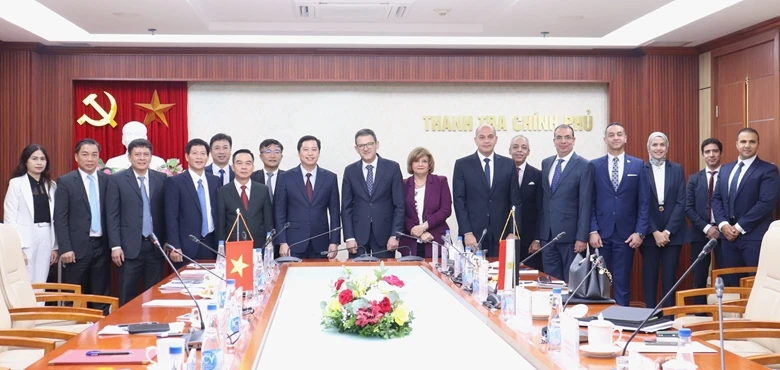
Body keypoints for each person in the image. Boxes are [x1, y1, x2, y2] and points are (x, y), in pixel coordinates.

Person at [588, 123, 649, 306]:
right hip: (600, 235)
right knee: (599, 283)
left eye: (619, 134)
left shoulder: (638, 165)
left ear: (625, 138)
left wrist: (640, 232)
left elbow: (644, 202)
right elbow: (588, 201)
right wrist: (592, 230)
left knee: (622, 282)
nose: (615, 138)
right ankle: (599, 320)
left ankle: (622, 320)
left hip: (626, 235)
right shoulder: (594, 165)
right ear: (605, 139)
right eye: (611, 135)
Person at [711, 128, 780, 286]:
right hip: (727, 238)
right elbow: (716, 198)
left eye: (752, 142)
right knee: (732, 285)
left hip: (754, 237)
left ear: (758, 144)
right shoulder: (726, 169)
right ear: (736, 144)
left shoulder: (768, 170)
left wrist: (739, 227)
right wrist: (723, 225)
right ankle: (736, 313)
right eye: (743, 141)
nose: (747, 145)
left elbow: (766, 203)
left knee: (755, 285)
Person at [106, 138, 168, 306]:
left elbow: (166, 213)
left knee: (154, 294)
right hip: (128, 248)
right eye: (137, 154)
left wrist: (167, 241)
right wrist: (115, 246)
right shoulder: (117, 180)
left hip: (155, 247)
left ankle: (152, 326)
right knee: (127, 293)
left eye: (146, 154)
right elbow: (112, 215)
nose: (142, 158)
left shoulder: (161, 179)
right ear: (129, 157)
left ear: (151, 157)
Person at [53, 138, 111, 314]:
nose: (90, 159)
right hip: (76, 249)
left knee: (100, 296)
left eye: (94, 155)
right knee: (75, 297)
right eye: (85, 154)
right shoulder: (66, 181)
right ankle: (74, 336)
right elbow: (60, 218)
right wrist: (65, 248)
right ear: (76, 157)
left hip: (102, 246)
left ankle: (100, 334)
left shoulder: (107, 180)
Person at [535, 124, 593, 282]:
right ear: (554, 141)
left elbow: (585, 204)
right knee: (551, 281)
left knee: (571, 282)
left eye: (567, 137)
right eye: (559, 137)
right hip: (548, 236)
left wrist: (582, 237)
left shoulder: (584, 165)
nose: (563, 141)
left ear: (574, 140)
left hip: (571, 237)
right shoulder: (546, 163)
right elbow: (545, 201)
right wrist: (539, 236)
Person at [453, 124, 520, 257]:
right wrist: (467, 232)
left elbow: (515, 201)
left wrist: (513, 231)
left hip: (502, 233)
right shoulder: (462, 165)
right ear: (475, 140)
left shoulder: (508, 164)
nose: (486, 141)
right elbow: (459, 201)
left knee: (500, 273)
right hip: (473, 233)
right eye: (482, 137)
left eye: (490, 137)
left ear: (496, 139)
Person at [639, 132, 687, 308]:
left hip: (672, 235)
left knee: (670, 279)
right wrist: (654, 231)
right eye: (655, 145)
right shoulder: (640, 169)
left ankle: (668, 318)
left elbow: (682, 201)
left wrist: (667, 231)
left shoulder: (677, 169)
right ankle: (649, 317)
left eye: (662, 145)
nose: (658, 148)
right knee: (649, 278)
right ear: (648, 148)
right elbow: (640, 204)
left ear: (667, 148)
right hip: (649, 235)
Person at [341, 129, 404, 258]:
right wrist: (349, 237)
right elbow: (346, 207)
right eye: (361, 145)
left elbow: (400, 205)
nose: (366, 148)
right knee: (355, 275)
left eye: (369, 144)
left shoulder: (392, 168)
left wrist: (395, 235)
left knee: (384, 275)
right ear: (356, 148)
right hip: (357, 237)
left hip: (385, 235)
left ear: (377, 144)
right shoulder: (350, 171)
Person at [275, 136, 341, 259]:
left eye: (314, 149)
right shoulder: (285, 177)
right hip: (293, 242)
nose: (310, 153)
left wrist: (334, 241)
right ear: (299, 153)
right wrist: (282, 242)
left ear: (319, 152)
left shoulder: (330, 178)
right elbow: (280, 213)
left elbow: (335, 213)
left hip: (321, 242)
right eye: (306, 149)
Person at [3, 144, 58, 283]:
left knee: (41, 281)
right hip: (25, 237)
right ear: (26, 161)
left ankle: (40, 306)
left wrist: (55, 247)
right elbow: (10, 218)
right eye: (34, 159)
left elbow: (55, 219)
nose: (39, 163)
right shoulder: (16, 184)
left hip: (46, 236)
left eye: (42, 159)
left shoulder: (51, 185)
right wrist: (17, 247)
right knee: (24, 282)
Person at [165, 139, 221, 267]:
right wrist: (175, 246)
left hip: (211, 244)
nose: (199, 157)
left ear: (208, 157)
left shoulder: (215, 181)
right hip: (185, 247)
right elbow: (171, 216)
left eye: (203, 154)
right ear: (186, 156)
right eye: (195, 153)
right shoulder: (176, 182)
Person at [685, 138, 725, 302]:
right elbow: (688, 207)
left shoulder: (728, 175)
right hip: (700, 233)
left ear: (721, 153)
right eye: (707, 152)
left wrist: (720, 227)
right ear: (703, 154)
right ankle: (700, 315)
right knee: (699, 278)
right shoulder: (694, 179)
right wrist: (706, 228)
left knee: (725, 276)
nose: (711, 155)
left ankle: (723, 314)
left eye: (715, 151)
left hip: (725, 233)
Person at [400, 147, 452, 258]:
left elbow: (445, 210)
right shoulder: (403, 184)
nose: (420, 164)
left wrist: (424, 227)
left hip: (436, 238)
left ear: (429, 164)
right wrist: (417, 231)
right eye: (416, 161)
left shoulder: (441, 182)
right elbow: (400, 212)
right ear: (411, 164)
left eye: (424, 161)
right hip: (411, 241)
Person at [216, 149, 273, 249]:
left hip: (259, 246)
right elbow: (221, 224)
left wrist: (269, 244)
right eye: (239, 163)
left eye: (248, 163)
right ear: (232, 167)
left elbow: (268, 221)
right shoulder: (222, 192)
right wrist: (221, 247)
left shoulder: (263, 190)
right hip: (233, 245)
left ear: (253, 167)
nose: (244, 167)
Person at [509, 135, 543, 272]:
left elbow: (542, 209)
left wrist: (537, 239)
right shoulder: (502, 174)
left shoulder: (537, 175)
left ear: (528, 152)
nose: (519, 150)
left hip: (530, 241)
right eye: (515, 147)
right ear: (509, 150)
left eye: (524, 148)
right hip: (507, 238)